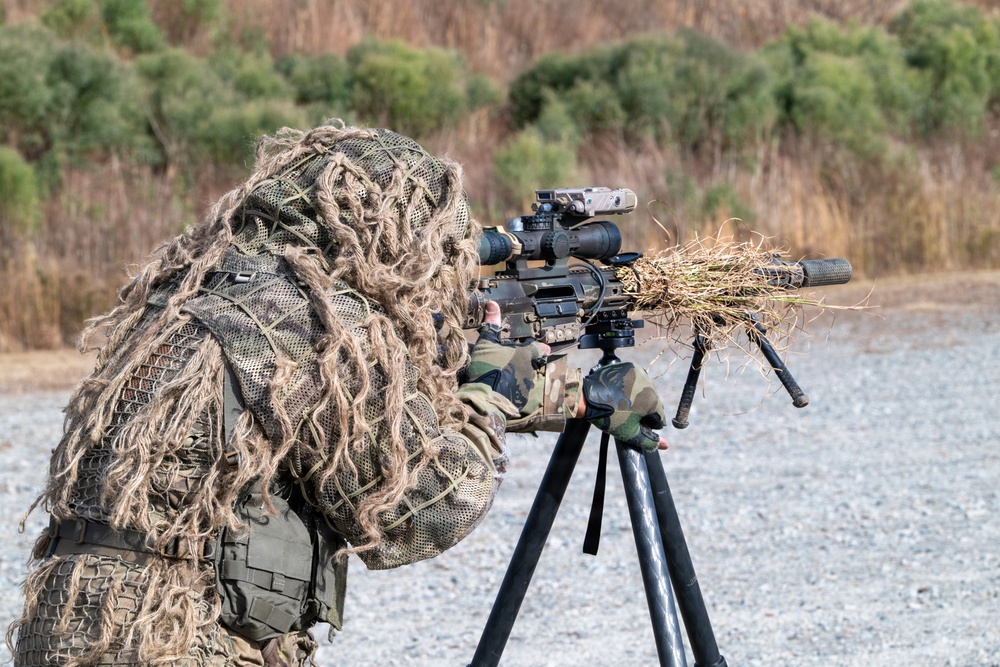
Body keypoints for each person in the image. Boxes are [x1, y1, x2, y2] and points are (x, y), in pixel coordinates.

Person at [7, 123, 668, 666]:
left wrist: (569, 394)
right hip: (175, 639)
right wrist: (490, 393)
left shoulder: (198, 289)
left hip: (67, 627)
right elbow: (423, 508)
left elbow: (359, 420)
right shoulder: (320, 319)